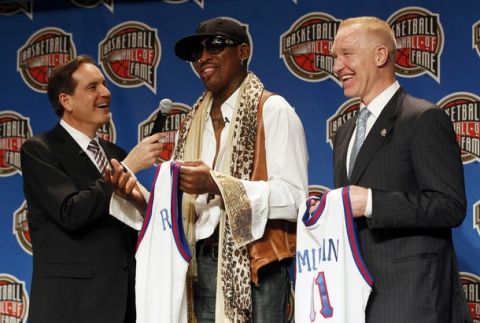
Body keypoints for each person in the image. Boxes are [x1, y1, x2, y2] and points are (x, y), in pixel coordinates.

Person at [330, 16, 471, 322]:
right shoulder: (344, 133)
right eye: (335, 57)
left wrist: (370, 202)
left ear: (380, 55)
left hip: (412, 298)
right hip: (355, 301)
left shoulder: (422, 118)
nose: (337, 66)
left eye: (347, 54)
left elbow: (450, 206)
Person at [172, 17, 308, 322]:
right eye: (197, 52)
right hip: (198, 265)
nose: (203, 57)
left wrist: (219, 186)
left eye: (216, 46)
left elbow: (294, 199)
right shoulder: (191, 124)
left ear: (243, 51)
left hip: (257, 267)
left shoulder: (273, 111)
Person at [20, 54, 163, 323]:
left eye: (105, 84)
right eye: (92, 87)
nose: (106, 92)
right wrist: (128, 167)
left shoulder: (114, 153)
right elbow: (70, 212)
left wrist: (141, 203)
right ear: (66, 101)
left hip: (122, 305)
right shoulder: (40, 150)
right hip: (71, 307)